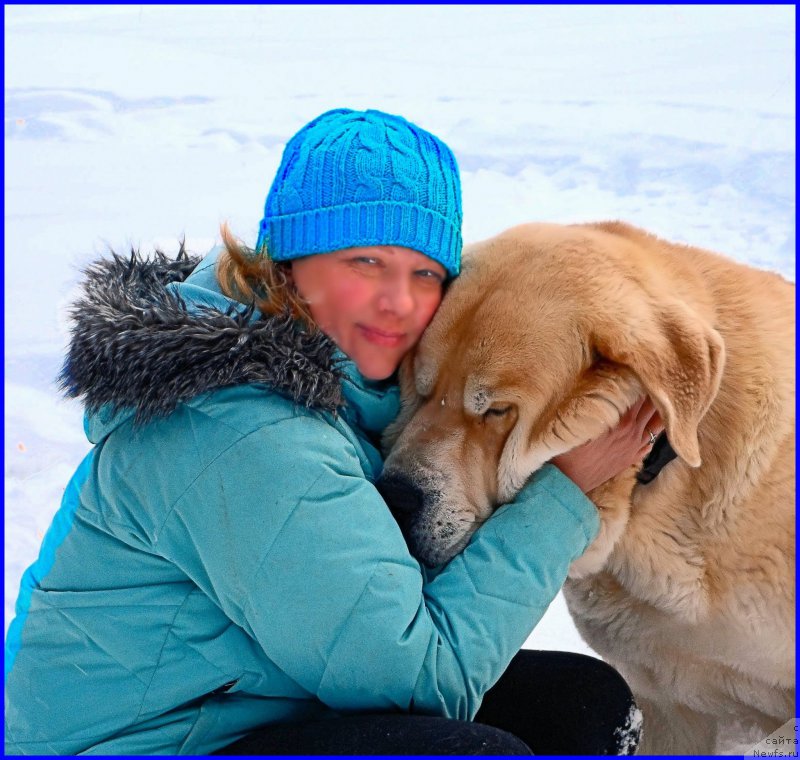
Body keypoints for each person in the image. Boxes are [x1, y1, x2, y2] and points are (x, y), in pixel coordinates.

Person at [4, 108, 661, 755]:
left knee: (582, 705)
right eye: (365, 262)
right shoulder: (240, 432)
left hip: (256, 707)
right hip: (145, 743)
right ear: (290, 261)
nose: (399, 301)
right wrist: (568, 490)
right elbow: (420, 686)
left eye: (425, 273)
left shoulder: (348, 393)